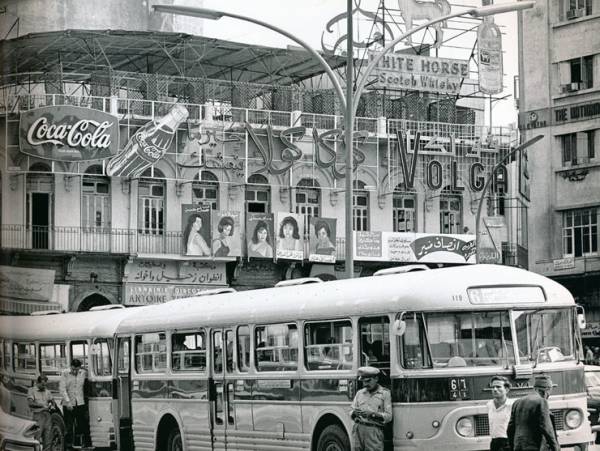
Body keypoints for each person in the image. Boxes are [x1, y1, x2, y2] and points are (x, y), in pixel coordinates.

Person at [507, 375, 559, 451]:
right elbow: (547, 428)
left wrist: (513, 447)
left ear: (535, 388)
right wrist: (555, 447)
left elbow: (510, 429)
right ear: (546, 391)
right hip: (534, 447)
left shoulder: (517, 402)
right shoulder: (542, 402)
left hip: (518, 447)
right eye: (549, 393)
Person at [350, 366, 392, 451]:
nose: (365, 384)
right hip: (358, 429)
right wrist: (354, 413)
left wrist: (372, 414)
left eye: (368, 381)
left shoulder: (384, 393)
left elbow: (389, 417)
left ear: (376, 379)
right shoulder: (360, 393)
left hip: (374, 430)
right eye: (363, 381)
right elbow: (351, 410)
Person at [60, 359, 91, 449]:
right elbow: (62, 389)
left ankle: (82, 444)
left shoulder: (83, 373)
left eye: (76, 369)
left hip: (80, 403)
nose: (75, 371)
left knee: (82, 424)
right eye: (73, 369)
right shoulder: (65, 373)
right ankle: (68, 446)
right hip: (68, 404)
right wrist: (68, 402)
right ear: (71, 367)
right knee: (69, 426)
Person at [27, 374, 53, 450]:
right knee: (37, 437)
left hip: (47, 415)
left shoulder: (47, 391)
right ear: (37, 383)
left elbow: (52, 401)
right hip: (37, 415)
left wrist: (52, 404)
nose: (44, 386)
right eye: (42, 385)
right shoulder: (31, 390)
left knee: (48, 438)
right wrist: (41, 406)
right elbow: (30, 403)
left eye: (45, 385)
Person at [487, 375, 512, 451]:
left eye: (498, 387)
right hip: (494, 443)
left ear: (506, 390)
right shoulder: (489, 405)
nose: (494, 389)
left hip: (508, 443)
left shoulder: (512, 405)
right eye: (493, 387)